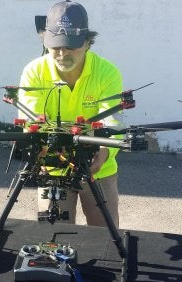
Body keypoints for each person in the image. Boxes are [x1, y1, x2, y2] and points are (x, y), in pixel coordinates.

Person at [17, 0, 123, 228]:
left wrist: (104, 152)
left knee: (105, 234)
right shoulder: (34, 71)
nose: (62, 54)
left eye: (71, 46)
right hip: (52, 168)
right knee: (53, 236)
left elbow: (111, 121)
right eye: (55, 46)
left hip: (98, 166)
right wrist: (38, 153)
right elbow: (30, 121)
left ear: (87, 42)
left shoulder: (107, 72)